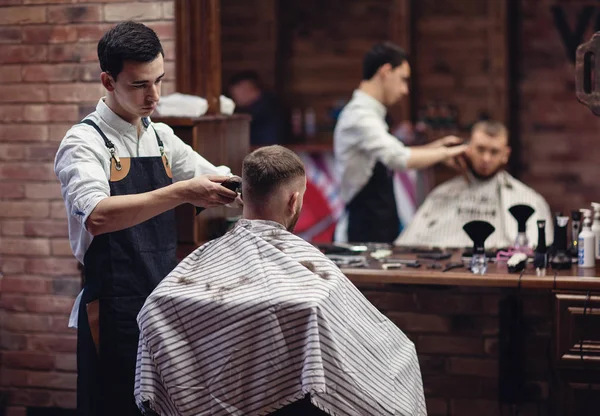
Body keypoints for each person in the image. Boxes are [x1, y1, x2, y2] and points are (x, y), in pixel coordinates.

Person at [135, 146, 426, 416]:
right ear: (294, 200)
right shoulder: (314, 292)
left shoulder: (184, 279)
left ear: (242, 194)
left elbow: (154, 311)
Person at [54, 21, 239, 415]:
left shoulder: (160, 137)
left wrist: (254, 186)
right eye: (140, 85)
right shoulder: (84, 142)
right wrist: (182, 192)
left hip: (159, 302)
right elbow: (98, 216)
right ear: (108, 80)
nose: (154, 96)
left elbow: (216, 179)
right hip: (113, 306)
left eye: (159, 80)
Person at [334, 41, 467, 243]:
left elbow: (396, 151)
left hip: (378, 229)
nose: (405, 90)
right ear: (386, 71)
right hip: (361, 233)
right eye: (403, 79)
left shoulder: (371, 114)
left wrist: (436, 147)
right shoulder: (359, 116)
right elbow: (397, 157)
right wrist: (448, 153)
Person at [395, 120, 553, 248]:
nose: (486, 159)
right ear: (468, 149)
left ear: (506, 155)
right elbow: (407, 245)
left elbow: (539, 252)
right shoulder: (442, 193)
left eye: (494, 152)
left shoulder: (528, 199)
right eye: (480, 149)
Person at [228, 70, 284, 146]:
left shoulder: (265, 108)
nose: (234, 98)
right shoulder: (260, 106)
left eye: (235, 93)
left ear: (246, 87)